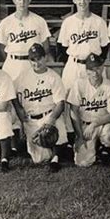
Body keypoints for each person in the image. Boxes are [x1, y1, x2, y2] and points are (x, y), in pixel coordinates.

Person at [0, 0, 51, 154]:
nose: (22, 2)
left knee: (30, 98)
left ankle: (32, 138)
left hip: (31, 63)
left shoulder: (38, 20)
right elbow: (1, 47)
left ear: (30, 1)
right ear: (14, 1)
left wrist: (35, 61)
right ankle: (13, 139)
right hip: (12, 62)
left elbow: (46, 46)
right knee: (11, 100)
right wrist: (11, 60)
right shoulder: (6, 22)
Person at [57, 0, 110, 149]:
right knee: (70, 100)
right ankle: (71, 135)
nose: (82, 1)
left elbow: (105, 46)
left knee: (96, 99)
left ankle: (100, 137)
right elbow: (62, 47)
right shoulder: (68, 22)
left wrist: (95, 65)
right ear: (74, 0)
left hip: (93, 66)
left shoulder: (99, 21)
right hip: (74, 64)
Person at [12, 43, 68, 172]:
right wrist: (19, 109)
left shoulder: (53, 77)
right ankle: (53, 150)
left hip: (48, 115)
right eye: (33, 59)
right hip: (31, 119)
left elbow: (60, 103)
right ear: (29, 60)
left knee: (58, 125)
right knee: (39, 159)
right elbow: (11, 93)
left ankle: (56, 158)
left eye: (39, 58)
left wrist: (51, 119)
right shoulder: (22, 76)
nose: (36, 62)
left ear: (45, 58)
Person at [67, 53, 110, 167]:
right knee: (82, 162)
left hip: (103, 124)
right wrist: (80, 136)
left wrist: (95, 123)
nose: (95, 72)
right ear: (87, 71)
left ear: (103, 68)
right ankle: (94, 148)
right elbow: (73, 111)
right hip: (85, 126)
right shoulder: (79, 84)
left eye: (98, 68)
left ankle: (106, 148)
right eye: (91, 69)